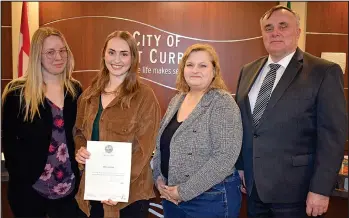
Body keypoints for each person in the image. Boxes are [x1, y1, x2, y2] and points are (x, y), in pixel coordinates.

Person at [235, 5, 347, 218]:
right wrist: (241, 167)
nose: (274, 32)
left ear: (298, 31)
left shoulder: (323, 71)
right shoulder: (248, 70)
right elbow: (245, 124)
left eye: (283, 26)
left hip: (298, 193)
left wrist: (321, 189)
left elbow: (333, 136)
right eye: (268, 28)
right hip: (253, 188)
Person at [74, 30, 161, 218]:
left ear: (133, 58)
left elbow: (144, 151)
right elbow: (79, 133)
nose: (117, 59)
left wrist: (115, 186)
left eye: (124, 53)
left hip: (130, 197)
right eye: (111, 52)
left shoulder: (145, 97)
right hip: (92, 192)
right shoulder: (88, 95)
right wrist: (80, 150)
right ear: (104, 55)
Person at [152, 43, 243, 218]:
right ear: (183, 69)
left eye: (203, 65)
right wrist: (158, 177)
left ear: (214, 71)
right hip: (171, 197)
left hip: (210, 200)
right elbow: (160, 143)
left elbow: (224, 157)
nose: (195, 70)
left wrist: (183, 191)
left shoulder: (222, 102)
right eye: (190, 65)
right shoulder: (177, 99)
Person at [1, 27, 83, 217]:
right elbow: (10, 147)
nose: (58, 57)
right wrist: (25, 183)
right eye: (51, 52)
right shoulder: (17, 94)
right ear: (38, 54)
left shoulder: (75, 90)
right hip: (30, 196)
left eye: (63, 51)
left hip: (70, 195)